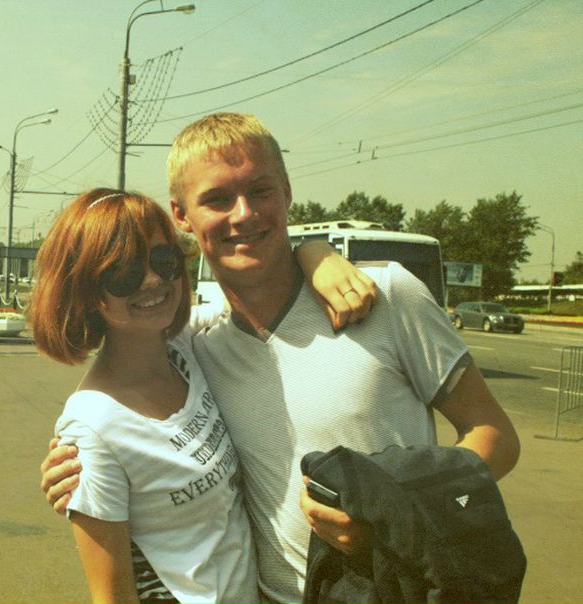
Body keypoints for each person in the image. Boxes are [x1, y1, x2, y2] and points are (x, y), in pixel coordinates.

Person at [40, 113, 520, 604]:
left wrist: (399, 516)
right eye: (217, 199)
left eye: (260, 190)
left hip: (399, 590)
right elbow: (120, 371)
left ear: (287, 192)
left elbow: (496, 436)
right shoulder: (199, 343)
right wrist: (83, 458)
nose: (244, 214)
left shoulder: (386, 296)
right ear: (182, 215)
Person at [29, 187, 376, 604]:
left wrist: (315, 254)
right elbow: (112, 596)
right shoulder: (92, 428)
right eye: (123, 273)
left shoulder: (184, 347)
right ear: (85, 291)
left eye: (163, 260)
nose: (152, 280)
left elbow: (260, 292)